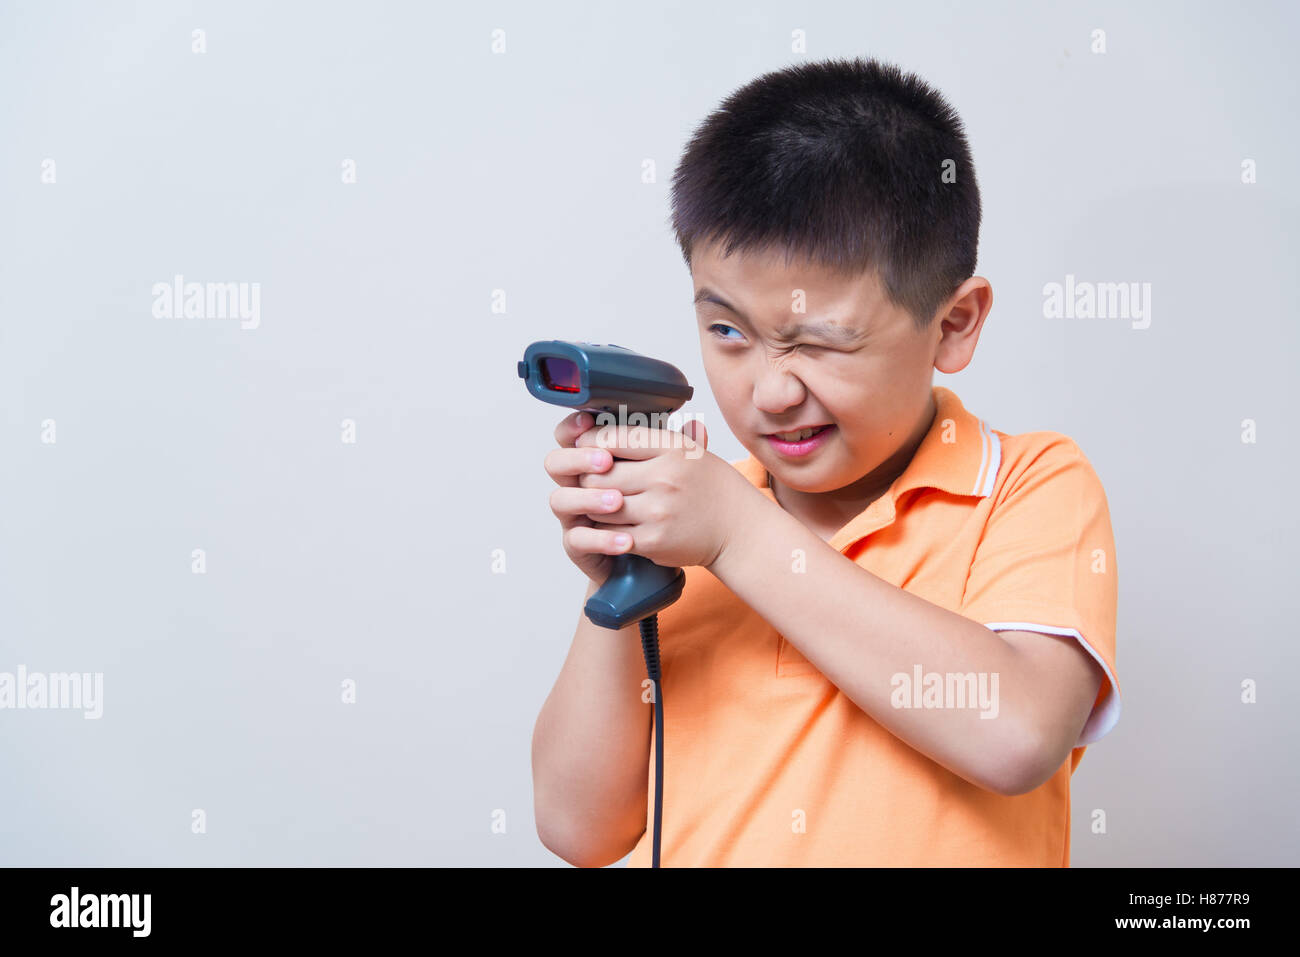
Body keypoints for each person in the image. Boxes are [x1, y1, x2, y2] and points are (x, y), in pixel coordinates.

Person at [531, 56, 1120, 867]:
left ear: (954, 323)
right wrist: (618, 586)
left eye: (819, 340)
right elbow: (577, 828)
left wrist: (739, 535)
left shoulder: (1028, 484)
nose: (770, 391)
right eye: (728, 330)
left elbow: (1016, 732)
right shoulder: (694, 526)